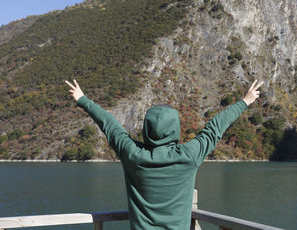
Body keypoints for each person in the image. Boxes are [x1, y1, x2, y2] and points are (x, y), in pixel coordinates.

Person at [65, 79, 263, 230]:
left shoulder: (133, 155)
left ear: (146, 129)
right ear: (175, 129)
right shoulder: (189, 155)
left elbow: (109, 124)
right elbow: (215, 128)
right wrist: (245, 101)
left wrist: (83, 99)